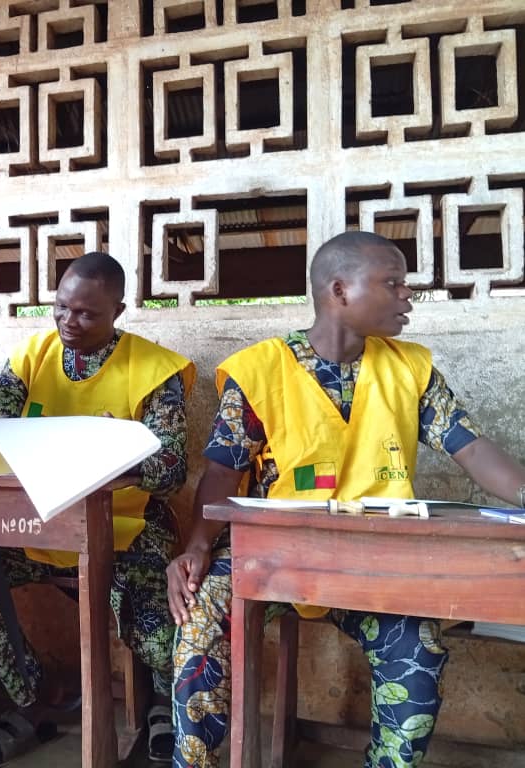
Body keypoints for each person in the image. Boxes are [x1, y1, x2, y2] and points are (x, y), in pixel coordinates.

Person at [167, 230, 525, 768]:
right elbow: (223, 470)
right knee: (199, 612)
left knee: (417, 644)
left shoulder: (411, 369)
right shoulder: (259, 370)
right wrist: (196, 546)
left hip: (375, 561)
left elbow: (471, 448)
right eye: (393, 282)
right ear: (339, 290)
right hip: (275, 555)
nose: (407, 294)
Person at [0, 251, 196, 766]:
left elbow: (171, 471)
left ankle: (161, 704)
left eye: (86, 313)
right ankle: (32, 699)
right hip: (38, 523)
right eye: (61, 307)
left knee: (158, 635)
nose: (68, 321)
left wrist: (116, 451)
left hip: (125, 528)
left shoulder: (155, 369)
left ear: (117, 312)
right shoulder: (31, 357)